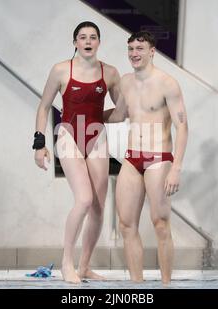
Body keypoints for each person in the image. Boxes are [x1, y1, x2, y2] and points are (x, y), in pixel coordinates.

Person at [33, 21, 120, 283]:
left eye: (93, 37)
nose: (88, 41)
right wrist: (39, 144)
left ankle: (84, 267)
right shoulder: (61, 70)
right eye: (82, 37)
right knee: (83, 199)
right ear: (75, 43)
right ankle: (66, 262)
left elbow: (122, 111)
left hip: (97, 136)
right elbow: (44, 107)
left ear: (99, 42)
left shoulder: (111, 73)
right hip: (69, 135)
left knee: (98, 207)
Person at [104, 31, 188, 284]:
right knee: (126, 224)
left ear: (152, 51)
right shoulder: (126, 82)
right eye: (130, 49)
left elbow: (182, 126)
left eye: (139, 49)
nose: (134, 54)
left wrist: (176, 168)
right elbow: (119, 115)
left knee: (160, 223)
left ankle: (165, 284)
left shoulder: (167, 83)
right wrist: (86, 114)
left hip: (159, 159)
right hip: (132, 159)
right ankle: (136, 285)